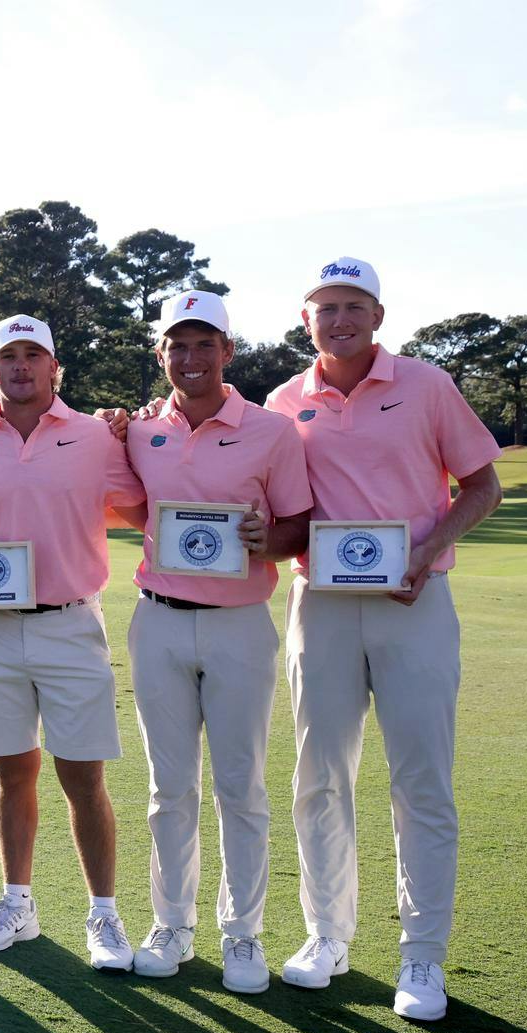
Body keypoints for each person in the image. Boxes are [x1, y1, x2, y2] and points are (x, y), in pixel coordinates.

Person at [263, 257, 502, 1020]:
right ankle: (326, 936)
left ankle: (421, 957)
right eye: (326, 307)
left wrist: (429, 551)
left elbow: (484, 486)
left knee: (420, 780)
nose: (340, 320)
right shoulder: (281, 402)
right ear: (306, 321)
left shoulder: (426, 385)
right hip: (320, 605)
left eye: (354, 305)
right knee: (319, 775)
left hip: (415, 601)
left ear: (378, 315)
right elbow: (281, 516)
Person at [109, 291, 312, 993]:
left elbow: (299, 524)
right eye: (177, 346)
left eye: (204, 345)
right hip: (158, 618)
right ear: (160, 353)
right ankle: (171, 923)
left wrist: (270, 540)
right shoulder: (138, 430)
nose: (190, 359)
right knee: (169, 788)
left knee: (240, 785)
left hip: (238, 625)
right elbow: (120, 492)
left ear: (228, 351)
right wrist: (111, 427)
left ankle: (243, 933)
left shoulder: (272, 430)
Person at [0, 315, 147, 972]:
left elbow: (140, 508)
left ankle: (105, 913)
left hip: (69, 620)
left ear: (55, 368)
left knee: (83, 775)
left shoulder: (94, 435)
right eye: (9, 356)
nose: (21, 366)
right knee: (12, 772)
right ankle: (17, 902)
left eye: (34, 355)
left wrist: (134, 428)